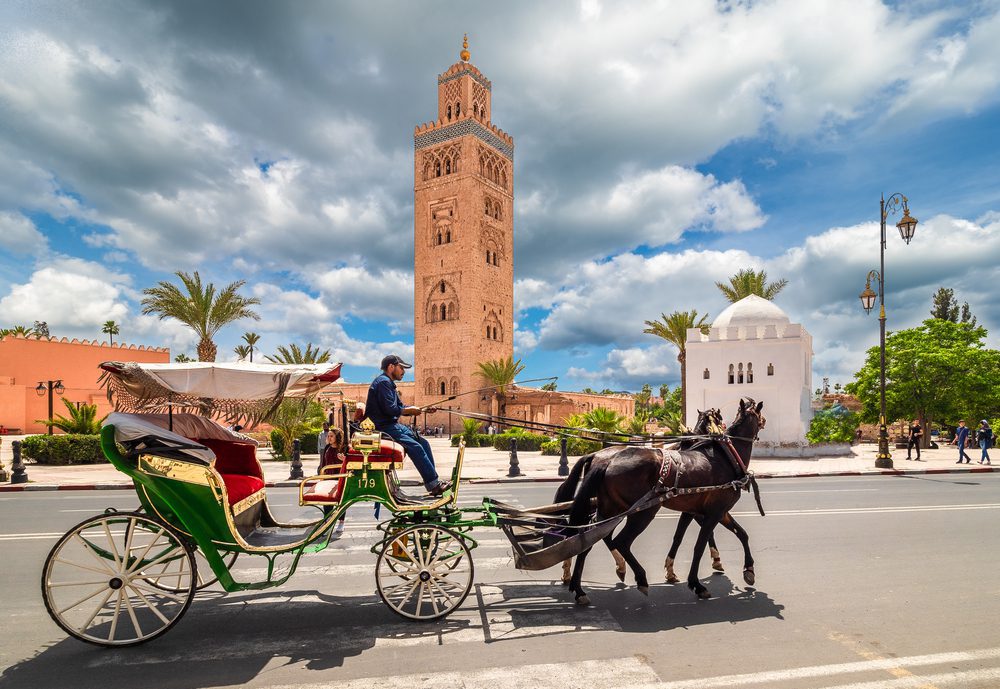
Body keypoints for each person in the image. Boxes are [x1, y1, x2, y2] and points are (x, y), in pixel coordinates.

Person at [366, 355, 450, 496]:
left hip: (392, 425)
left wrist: (422, 410)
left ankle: (433, 482)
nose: (404, 372)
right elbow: (391, 410)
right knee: (415, 447)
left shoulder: (388, 383)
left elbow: (399, 407)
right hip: (383, 427)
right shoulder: (383, 383)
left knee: (423, 443)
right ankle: (434, 485)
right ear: (391, 367)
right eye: (402, 368)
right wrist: (410, 410)